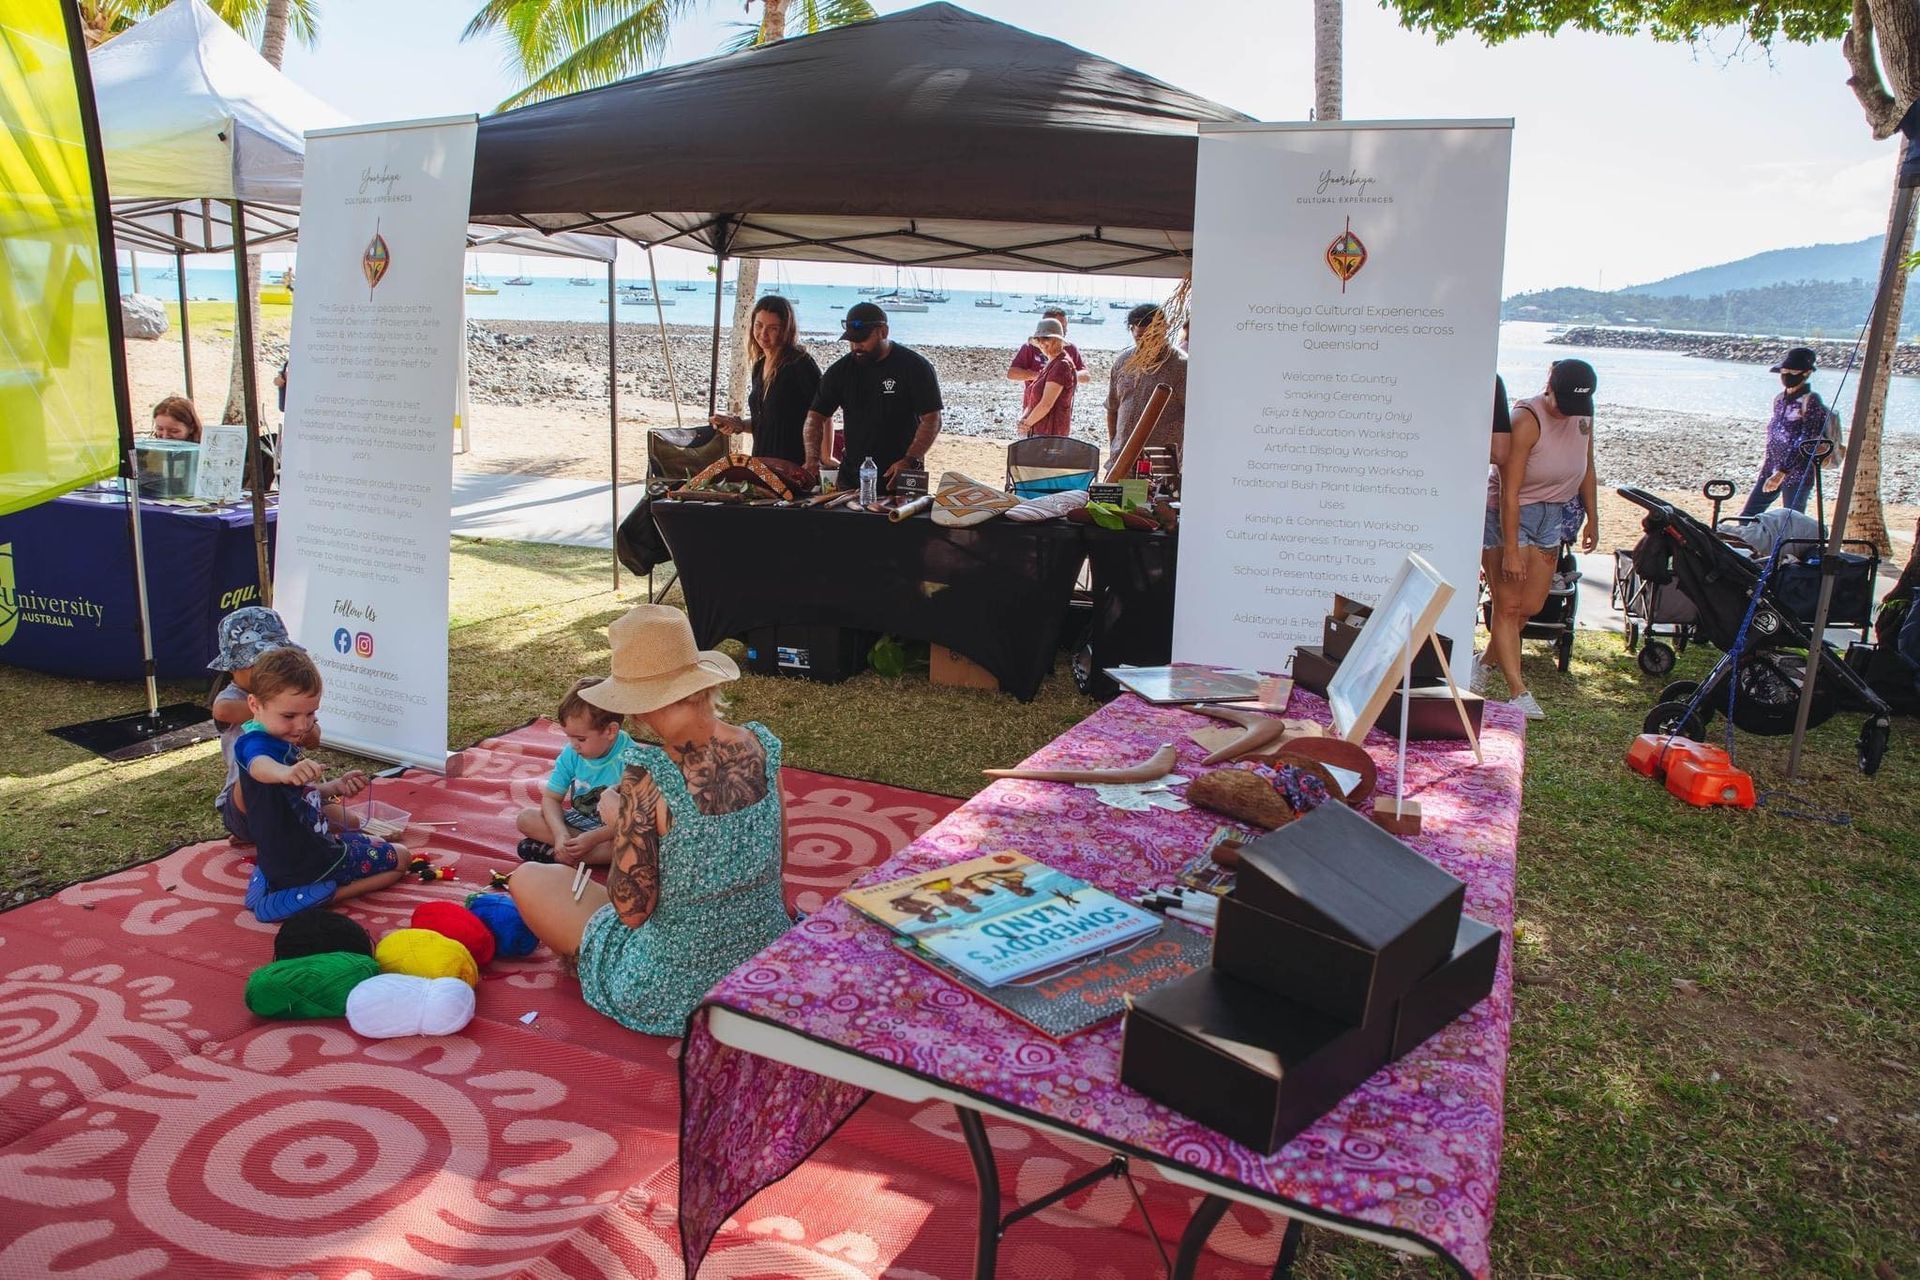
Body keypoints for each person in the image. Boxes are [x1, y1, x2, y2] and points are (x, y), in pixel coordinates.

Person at [509, 605, 793, 1036]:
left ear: (636, 707)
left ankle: (585, 962)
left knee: (529, 878)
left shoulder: (648, 780)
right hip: (763, 960)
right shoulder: (759, 744)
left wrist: (620, 820)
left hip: (672, 985)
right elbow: (780, 856)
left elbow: (631, 910)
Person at [235, 648, 403, 921]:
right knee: (402, 858)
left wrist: (335, 787)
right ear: (254, 705)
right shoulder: (255, 746)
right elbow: (260, 767)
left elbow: (294, 796)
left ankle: (280, 886)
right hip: (316, 861)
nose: (303, 725)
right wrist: (285, 772)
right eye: (289, 716)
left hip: (279, 860)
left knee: (363, 838)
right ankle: (323, 894)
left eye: (311, 713)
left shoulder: (267, 738)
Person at [1484, 360, 1599, 720]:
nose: (1568, 412)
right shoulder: (1526, 419)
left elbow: (1588, 466)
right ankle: (1518, 692)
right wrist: (1512, 551)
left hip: (1554, 512)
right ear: (1548, 389)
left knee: (1530, 606)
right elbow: (1509, 491)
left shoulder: (1583, 415)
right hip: (1511, 513)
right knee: (1507, 605)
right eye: (1562, 403)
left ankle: (1483, 662)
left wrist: (1593, 517)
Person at [803, 302, 943, 492]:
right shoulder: (840, 371)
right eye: (851, 341)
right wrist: (812, 459)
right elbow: (815, 417)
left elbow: (932, 419)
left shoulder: (914, 366)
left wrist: (910, 459)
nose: (856, 346)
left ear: (883, 332)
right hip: (853, 476)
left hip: (903, 474)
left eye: (863, 339)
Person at [208, 606, 314, 847]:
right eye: (258, 662)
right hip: (243, 803)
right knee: (253, 779)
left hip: (290, 793)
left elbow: (314, 738)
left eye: (273, 661)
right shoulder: (234, 695)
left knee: (329, 811)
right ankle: (253, 829)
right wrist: (275, 712)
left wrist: (302, 722)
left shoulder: (286, 696)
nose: (266, 670)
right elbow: (222, 710)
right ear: (233, 667)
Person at [515, 677, 637, 867]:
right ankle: (576, 854)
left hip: (613, 830)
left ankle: (564, 855)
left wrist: (593, 839)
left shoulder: (632, 759)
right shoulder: (571, 752)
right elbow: (551, 798)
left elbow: (633, 817)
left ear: (610, 731)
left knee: (633, 842)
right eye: (569, 737)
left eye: (580, 738)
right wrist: (560, 834)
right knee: (526, 818)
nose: (573, 745)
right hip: (579, 822)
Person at [709, 295, 821, 466]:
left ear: (785, 330)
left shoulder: (800, 363)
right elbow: (765, 423)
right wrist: (737, 425)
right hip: (762, 465)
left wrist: (816, 461)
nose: (763, 334)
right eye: (758, 325)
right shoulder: (759, 366)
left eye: (773, 328)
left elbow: (824, 414)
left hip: (794, 466)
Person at [1739, 346, 1831, 517]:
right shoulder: (1780, 399)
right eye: (1784, 371)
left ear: (1806, 373)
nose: (1787, 375)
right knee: (1748, 515)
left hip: (1797, 471)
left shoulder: (1811, 401)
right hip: (1772, 465)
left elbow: (1806, 440)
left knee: (1792, 518)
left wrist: (1783, 470)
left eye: (1793, 371)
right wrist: (1771, 467)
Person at [1105, 303, 1189, 456]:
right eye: (1140, 338)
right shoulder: (1123, 362)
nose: (1146, 344)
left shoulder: (1182, 366)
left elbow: (1194, 416)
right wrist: (1113, 445)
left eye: (1152, 337)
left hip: (1161, 463)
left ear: (1165, 329)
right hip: (1121, 460)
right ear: (1132, 331)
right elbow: (1112, 409)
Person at [1016, 318, 1079, 437]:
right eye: (1038, 339)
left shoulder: (1061, 365)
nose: (1041, 342)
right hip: (1040, 432)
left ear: (1058, 339)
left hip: (1049, 434)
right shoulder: (1052, 363)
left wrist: (1026, 424)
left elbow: (1046, 404)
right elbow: (1034, 400)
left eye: (1046, 338)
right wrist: (1024, 419)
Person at [1006, 306, 1089, 386]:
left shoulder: (1070, 348)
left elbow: (1086, 376)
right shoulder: (1030, 347)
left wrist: (1067, 376)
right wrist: (1043, 376)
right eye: (1061, 326)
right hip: (1034, 398)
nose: (1065, 330)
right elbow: (1012, 373)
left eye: (1065, 327)